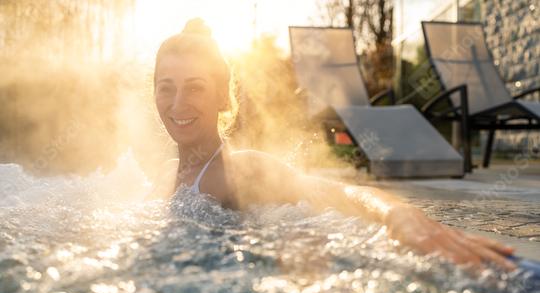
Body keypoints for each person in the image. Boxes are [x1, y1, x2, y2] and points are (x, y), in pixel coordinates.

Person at [151, 18, 516, 272]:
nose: (178, 102)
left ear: (221, 97)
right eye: (166, 86)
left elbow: (326, 189)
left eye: (195, 87)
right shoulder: (165, 176)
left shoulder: (236, 169)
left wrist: (396, 213)